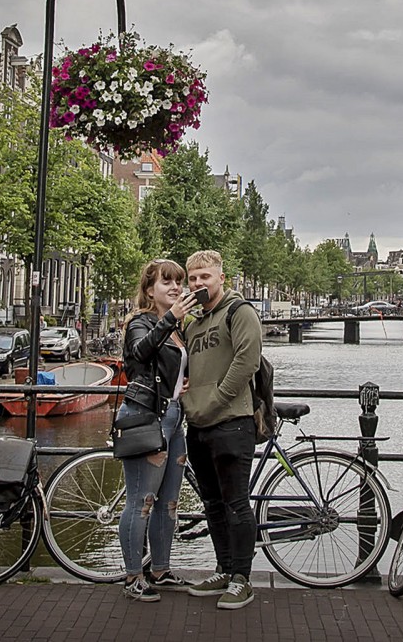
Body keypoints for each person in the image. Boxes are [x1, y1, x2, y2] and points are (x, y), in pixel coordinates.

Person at [182, 250, 263, 610]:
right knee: (212, 503)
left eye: (205, 277)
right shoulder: (193, 322)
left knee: (236, 504)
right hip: (198, 423)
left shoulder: (239, 312)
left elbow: (248, 360)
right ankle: (224, 568)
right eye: (193, 278)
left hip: (232, 421)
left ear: (221, 278)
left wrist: (217, 398)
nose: (199, 283)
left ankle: (242, 578)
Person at [116, 258, 199, 602]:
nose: (176, 287)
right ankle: (134, 575)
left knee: (168, 502)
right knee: (141, 501)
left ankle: (160, 571)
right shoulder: (140, 322)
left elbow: (171, 368)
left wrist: (185, 380)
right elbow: (139, 351)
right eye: (167, 282)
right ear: (150, 291)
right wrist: (170, 318)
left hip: (173, 416)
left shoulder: (177, 329)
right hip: (146, 417)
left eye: (179, 281)